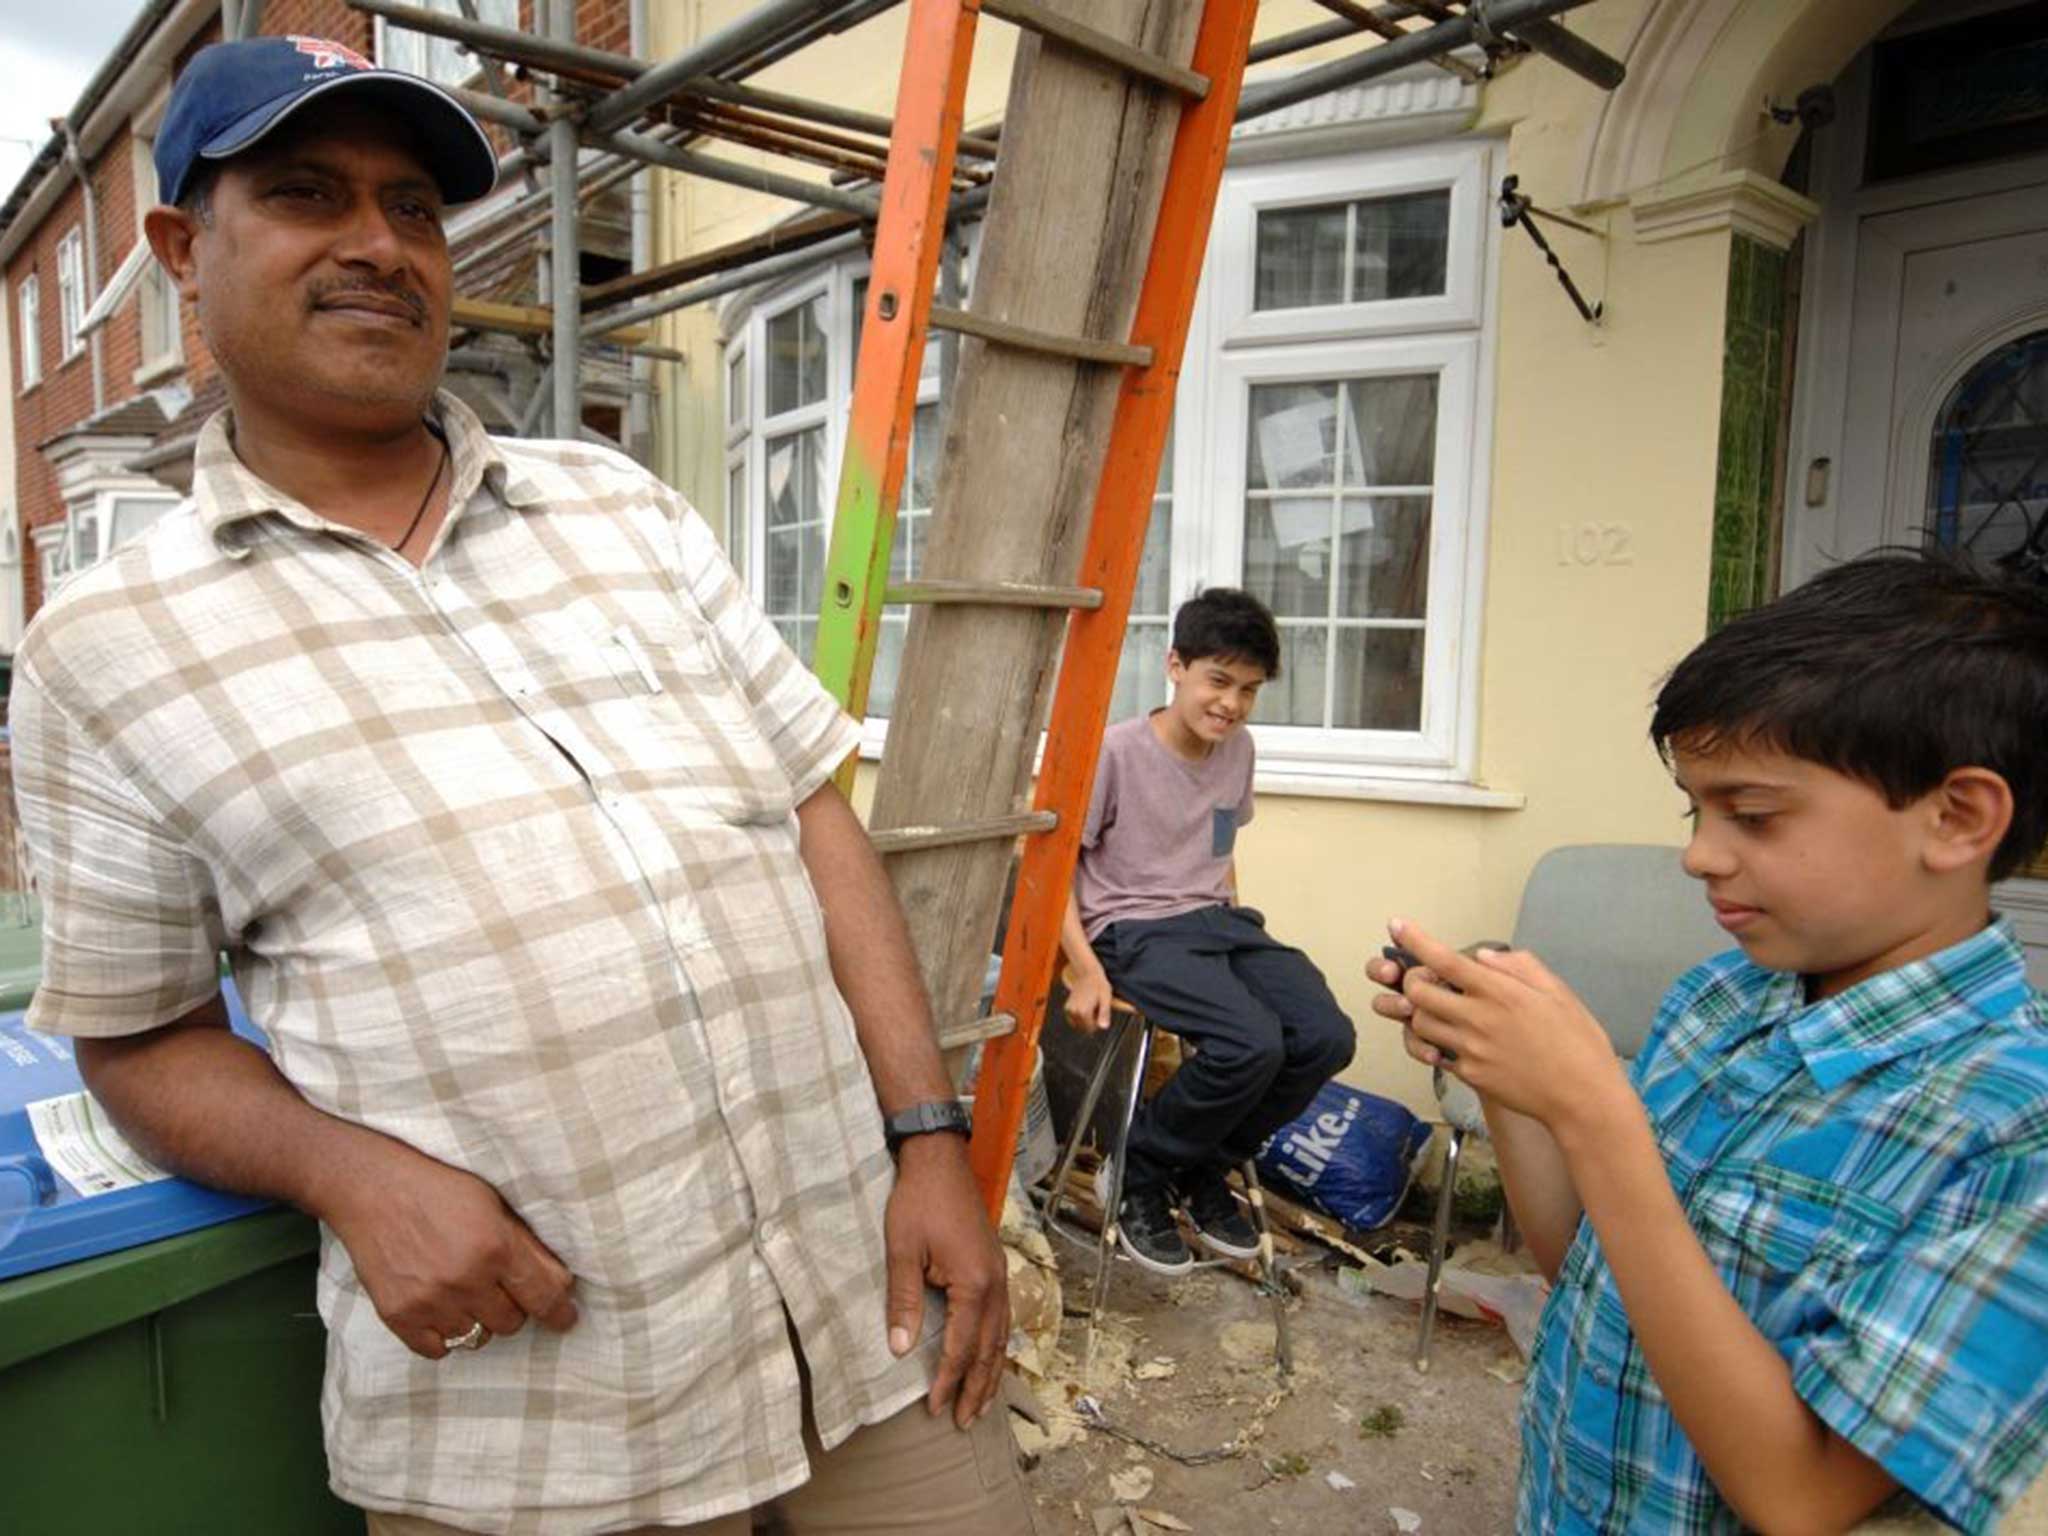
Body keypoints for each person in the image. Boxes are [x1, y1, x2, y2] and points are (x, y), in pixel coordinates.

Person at [10, 36, 1031, 1536]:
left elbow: (814, 820)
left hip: (866, 1316)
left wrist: (929, 1141)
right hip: (539, 1414)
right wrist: (350, 1176)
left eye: (412, 206)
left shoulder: (620, 509)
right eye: (307, 195)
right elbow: (139, 1035)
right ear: (183, 248)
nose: (377, 245)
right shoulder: (106, 651)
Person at [1369, 549, 2048, 1534]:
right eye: (1694, 807)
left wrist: (1593, 1105)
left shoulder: (2011, 1131)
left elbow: (1800, 1495)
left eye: (1752, 814)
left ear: (1955, 818)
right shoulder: (1719, 1000)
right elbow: (1592, 1274)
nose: (1697, 853)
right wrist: (1509, 1078)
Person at [1059, 588, 1355, 1275]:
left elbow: (1220, 848)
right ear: (1175, 667)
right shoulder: (1117, 753)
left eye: (1249, 690)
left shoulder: (1238, 749)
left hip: (1217, 922)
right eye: (1218, 681)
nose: (1232, 704)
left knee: (1323, 1037)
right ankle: (1136, 1167)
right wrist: (1084, 968)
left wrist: (1235, 934)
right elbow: (1050, 867)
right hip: (1131, 928)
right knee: (1248, 1043)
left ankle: (1197, 1170)